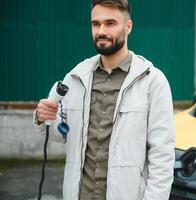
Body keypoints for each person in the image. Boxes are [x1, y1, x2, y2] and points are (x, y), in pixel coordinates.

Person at [33, 0, 175, 199]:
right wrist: (44, 117)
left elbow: (162, 157)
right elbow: (62, 135)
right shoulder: (75, 78)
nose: (101, 31)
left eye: (110, 23)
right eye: (95, 24)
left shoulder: (153, 82)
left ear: (128, 27)